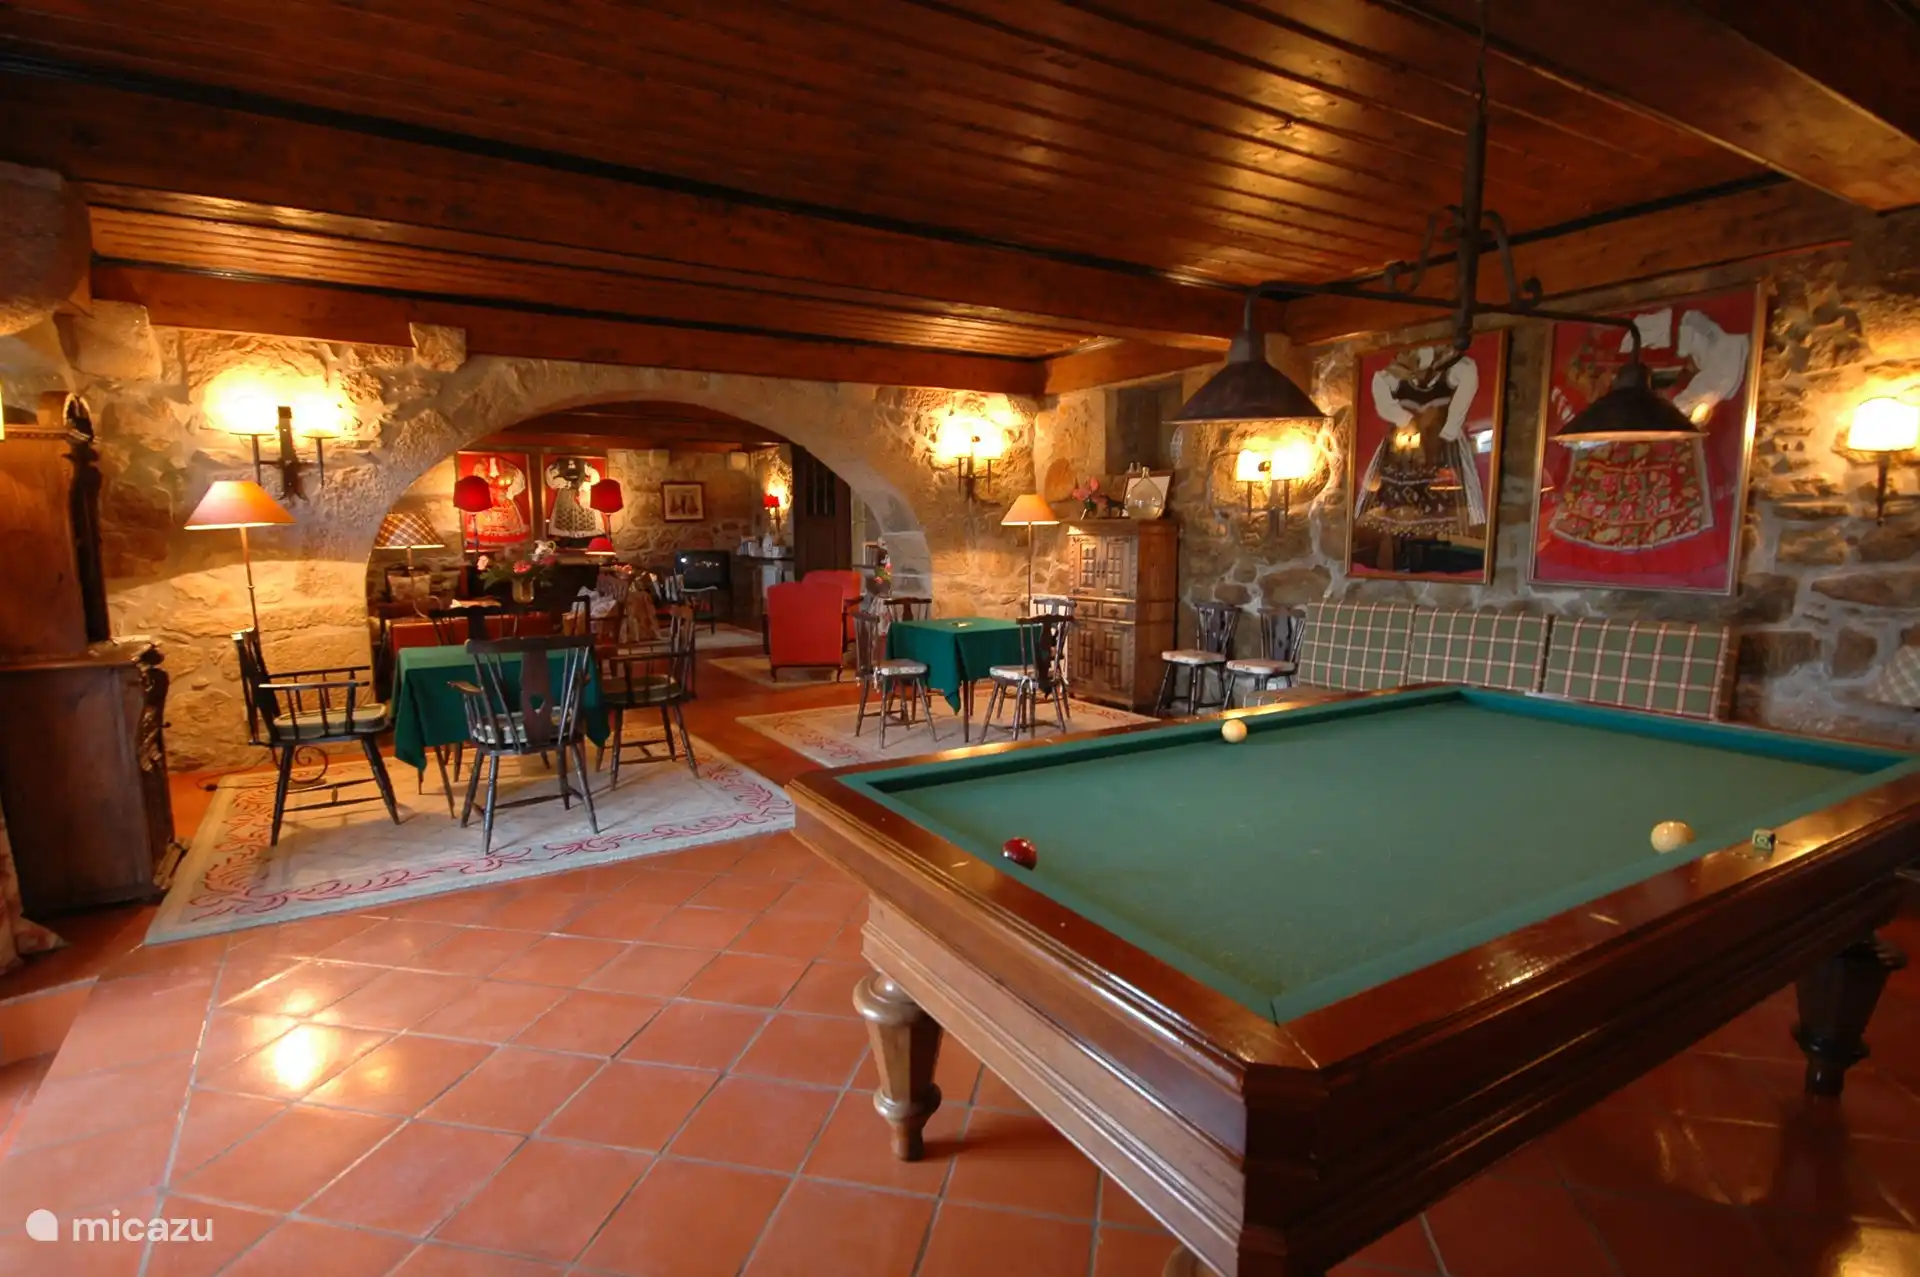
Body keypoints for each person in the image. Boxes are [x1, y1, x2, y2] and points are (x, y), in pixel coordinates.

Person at [1352, 343, 1486, 573]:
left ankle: (1428, 556)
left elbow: (1468, 379)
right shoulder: (1393, 376)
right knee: (1389, 502)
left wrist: (1450, 428)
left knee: (1445, 503)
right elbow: (1380, 387)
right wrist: (1404, 419)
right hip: (1402, 445)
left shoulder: (1455, 369)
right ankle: (1398, 555)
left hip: (1438, 442)